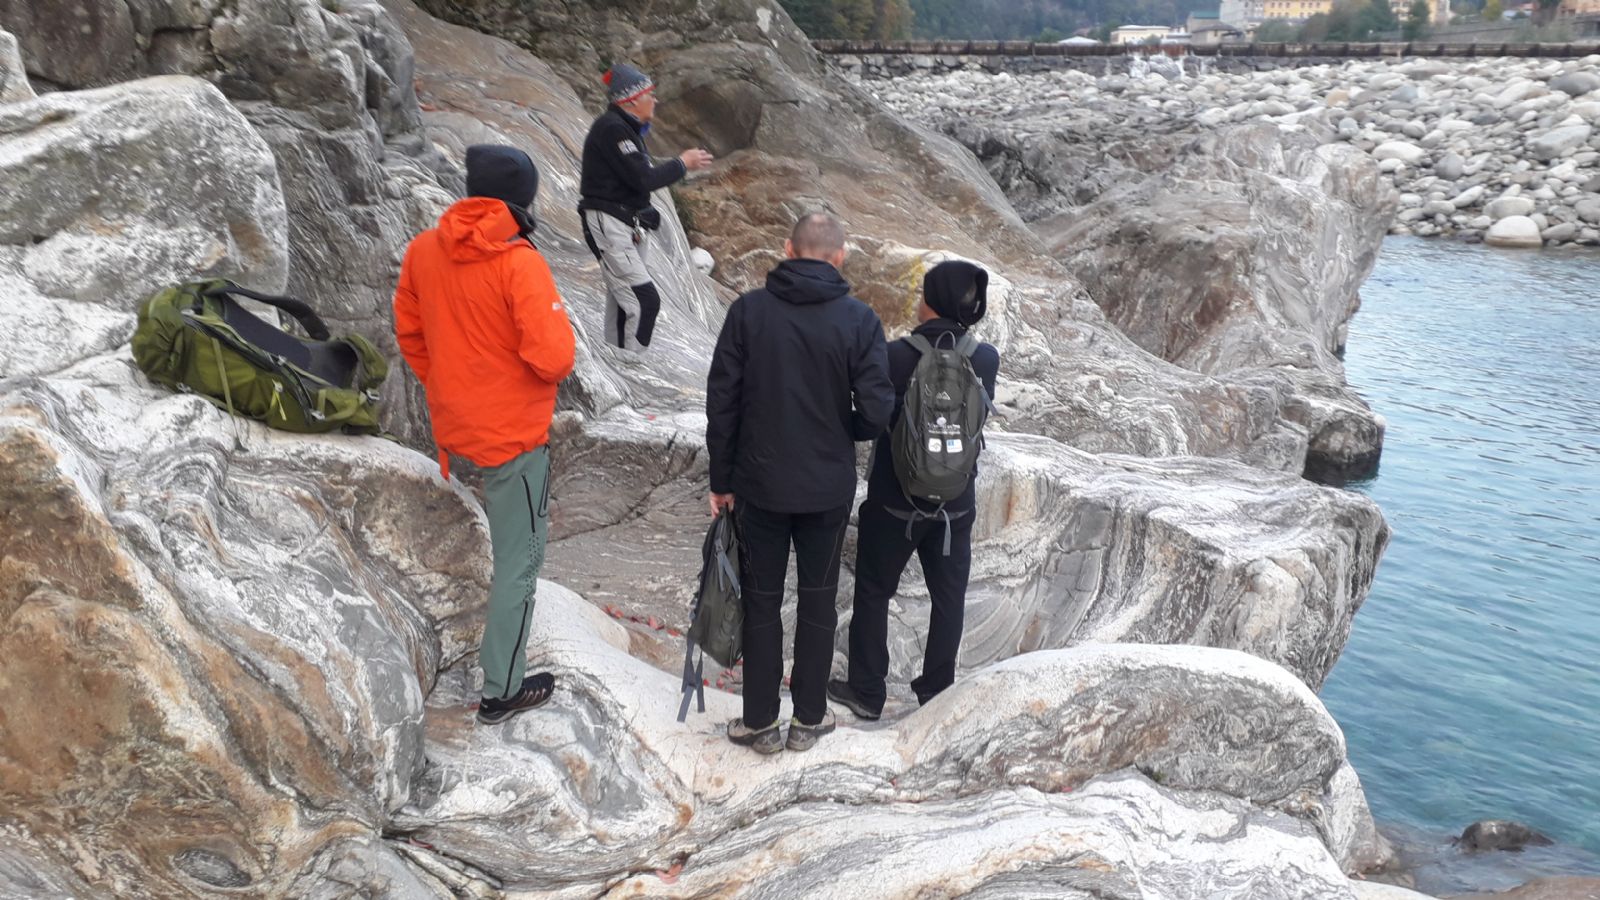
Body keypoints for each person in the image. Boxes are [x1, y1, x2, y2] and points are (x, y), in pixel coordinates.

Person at [393, 144, 577, 725]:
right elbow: (554, 358)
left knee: (508, 551)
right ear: (522, 199)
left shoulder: (424, 249)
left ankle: (500, 671)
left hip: (456, 426)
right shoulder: (519, 262)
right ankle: (502, 690)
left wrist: (449, 384)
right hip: (512, 437)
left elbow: (410, 333)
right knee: (520, 564)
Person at [705, 213, 894, 754]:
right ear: (841, 256)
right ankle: (809, 718)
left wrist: (721, 479)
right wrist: (843, 428)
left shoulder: (748, 312)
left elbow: (722, 402)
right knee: (818, 601)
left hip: (759, 483)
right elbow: (878, 409)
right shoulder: (860, 320)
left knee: (761, 600)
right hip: (827, 487)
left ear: (787, 248)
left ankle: (759, 720)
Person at [827, 261, 1000, 721]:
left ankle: (867, 691)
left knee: (873, 591)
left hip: (894, 500)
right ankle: (936, 693)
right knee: (949, 598)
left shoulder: (893, 355)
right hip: (955, 505)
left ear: (931, 301)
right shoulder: (985, 359)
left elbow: (872, 418)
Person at [579, 62, 714, 354]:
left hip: (623, 222)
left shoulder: (624, 129)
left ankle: (618, 357)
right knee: (644, 301)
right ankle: (633, 364)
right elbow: (644, 179)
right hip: (609, 221)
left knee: (623, 301)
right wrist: (682, 163)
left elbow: (634, 181)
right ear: (631, 101)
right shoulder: (614, 129)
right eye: (649, 95)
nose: (655, 100)